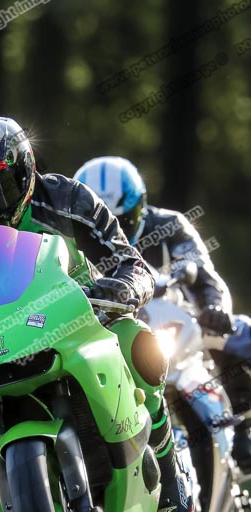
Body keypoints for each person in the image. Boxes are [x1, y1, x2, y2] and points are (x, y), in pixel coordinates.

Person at [0, 116, 194, 512]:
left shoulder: (67, 198)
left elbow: (131, 262)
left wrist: (124, 287)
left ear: (25, 172)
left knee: (140, 343)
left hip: (77, 318)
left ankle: (167, 464)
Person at [73, 155, 251, 472]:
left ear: (140, 206)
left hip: (178, 322)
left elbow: (206, 275)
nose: (115, 230)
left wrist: (214, 307)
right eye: (100, 224)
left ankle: (241, 427)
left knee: (242, 334)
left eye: (123, 220)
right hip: (108, 333)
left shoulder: (169, 225)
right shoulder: (70, 244)